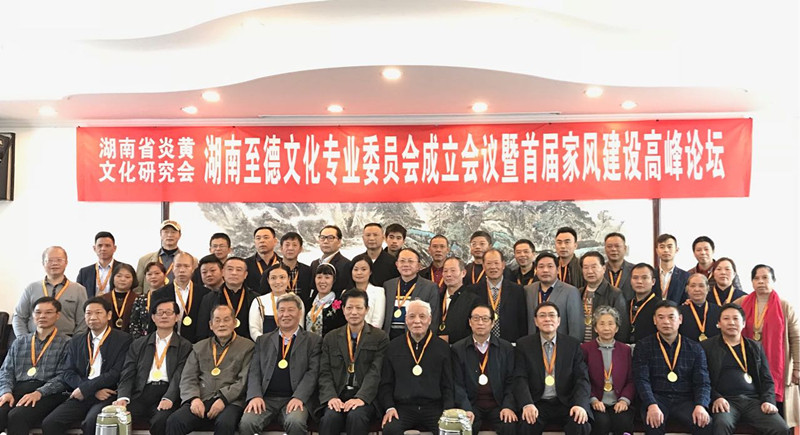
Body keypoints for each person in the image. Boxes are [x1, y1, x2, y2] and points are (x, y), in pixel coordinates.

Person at [41, 297, 133, 435]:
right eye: (88, 313)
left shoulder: (123, 339)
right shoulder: (76, 340)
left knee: (92, 422)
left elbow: (116, 372)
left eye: (98, 313)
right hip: (82, 393)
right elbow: (68, 372)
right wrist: (88, 389)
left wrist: (86, 388)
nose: (93, 317)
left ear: (109, 315)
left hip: (107, 394)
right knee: (51, 423)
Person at [701, 303, 790, 435]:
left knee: (781, 428)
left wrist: (768, 400)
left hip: (753, 401)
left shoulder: (755, 347)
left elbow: (767, 379)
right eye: (726, 318)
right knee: (721, 425)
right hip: (725, 401)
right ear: (719, 323)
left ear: (743, 323)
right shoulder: (706, 347)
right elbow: (702, 379)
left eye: (736, 318)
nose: (731, 322)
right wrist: (716, 397)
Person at [166, 304, 254, 435]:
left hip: (231, 401)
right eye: (217, 320)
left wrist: (223, 399)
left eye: (226, 320)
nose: (221, 324)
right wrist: (194, 399)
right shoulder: (199, 347)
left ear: (235, 323)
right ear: (211, 325)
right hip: (202, 398)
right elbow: (188, 378)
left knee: (225, 423)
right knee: (175, 421)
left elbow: (243, 381)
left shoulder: (248, 347)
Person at [240, 293, 321, 435]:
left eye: (291, 310)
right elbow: (254, 371)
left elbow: (312, 373)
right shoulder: (263, 340)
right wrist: (255, 396)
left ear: (299, 313)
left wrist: (299, 397)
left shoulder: (313, 341)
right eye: (281, 310)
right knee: (247, 422)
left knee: (295, 422)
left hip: (294, 398)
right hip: (266, 398)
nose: (285, 314)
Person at [113, 299, 193, 435]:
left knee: (161, 421)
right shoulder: (139, 344)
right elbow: (128, 373)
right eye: (160, 313)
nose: (164, 316)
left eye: (169, 312)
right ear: (153, 317)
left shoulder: (185, 346)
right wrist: (123, 397)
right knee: (117, 417)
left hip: (166, 392)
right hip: (141, 392)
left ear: (177, 317)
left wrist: (169, 397)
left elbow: (180, 375)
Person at [632, 300, 712, 435]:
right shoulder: (643, 346)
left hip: (685, 399)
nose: (666, 322)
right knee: (653, 424)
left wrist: (701, 405)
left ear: (680, 319)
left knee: (705, 423)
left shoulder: (695, 348)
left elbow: (703, 382)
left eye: (671, 317)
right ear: (654, 320)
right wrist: (651, 404)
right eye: (661, 317)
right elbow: (641, 379)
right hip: (657, 397)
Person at [735, 264, 800, 427]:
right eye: (756, 278)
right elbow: (725, 319)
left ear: (773, 280)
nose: (761, 281)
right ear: (752, 282)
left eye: (765, 278)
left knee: (778, 413)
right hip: (748, 363)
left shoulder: (784, 306)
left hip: (778, 365)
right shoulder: (741, 303)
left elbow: (796, 338)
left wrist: (797, 367)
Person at [514, 302, 591, 435]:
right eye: (542, 316)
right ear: (536, 321)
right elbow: (520, 378)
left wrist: (579, 404)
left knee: (580, 424)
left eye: (551, 315)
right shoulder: (524, 345)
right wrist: (527, 404)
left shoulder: (572, 345)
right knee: (527, 425)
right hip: (537, 402)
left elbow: (582, 379)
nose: (547, 319)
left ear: (558, 320)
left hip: (566, 402)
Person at [318, 290, 389, 435]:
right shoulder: (330, 338)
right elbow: (324, 372)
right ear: (343, 309)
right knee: (330, 418)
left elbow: (375, 372)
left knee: (356, 416)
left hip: (365, 397)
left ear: (367, 309)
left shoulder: (379, 337)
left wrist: (361, 397)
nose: (354, 312)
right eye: (349, 308)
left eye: (359, 308)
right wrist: (331, 396)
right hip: (338, 393)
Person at [379, 300, 454, 435]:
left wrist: (447, 410)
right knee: (390, 429)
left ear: (430, 319)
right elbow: (386, 383)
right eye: (412, 316)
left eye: (422, 316)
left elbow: (448, 384)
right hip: (403, 407)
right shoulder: (393, 346)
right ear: (406, 319)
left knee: (448, 431)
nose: (417, 321)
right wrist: (389, 407)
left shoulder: (442, 348)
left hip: (434, 407)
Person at [0, 297, 69, 435]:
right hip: (18, 389)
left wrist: (39, 393)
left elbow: (64, 376)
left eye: (48, 312)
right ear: (32, 315)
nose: (42, 316)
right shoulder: (20, 342)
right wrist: (6, 391)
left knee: (17, 416)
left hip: (48, 393)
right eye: (38, 312)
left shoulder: (67, 343)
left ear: (57, 315)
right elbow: (6, 371)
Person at [452, 304, 518, 435]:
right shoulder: (458, 349)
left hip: (498, 404)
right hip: (472, 404)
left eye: (485, 319)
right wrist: (466, 408)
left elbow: (511, 381)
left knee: (509, 425)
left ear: (492, 323)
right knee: (464, 427)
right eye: (476, 318)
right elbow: (457, 384)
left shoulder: (506, 348)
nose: (480, 323)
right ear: (470, 322)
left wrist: (508, 406)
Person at [580, 306, 635, 435]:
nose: (606, 328)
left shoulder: (626, 350)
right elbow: (582, 379)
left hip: (619, 401)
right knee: (601, 423)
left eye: (611, 324)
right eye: (602, 324)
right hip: (596, 401)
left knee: (623, 422)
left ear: (616, 328)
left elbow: (631, 380)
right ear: (595, 328)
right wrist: (593, 399)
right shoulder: (585, 349)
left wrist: (624, 400)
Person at [14, 246, 88, 338]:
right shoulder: (31, 288)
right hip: (34, 340)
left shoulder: (78, 289)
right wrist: (23, 340)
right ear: (43, 263)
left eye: (59, 260)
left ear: (66, 263)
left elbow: (83, 321)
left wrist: (75, 342)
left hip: (67, 341)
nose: (54, 263)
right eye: (50, 260)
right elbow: (19, 317)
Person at [470, 250, 527, 344]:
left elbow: (522, 321)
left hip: (510, 344)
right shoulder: (472, 291)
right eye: (489, 263)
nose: (493, 267)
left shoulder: (517, 290)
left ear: (503, 265)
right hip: (481, 344)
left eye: (496, 263)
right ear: (483, 266)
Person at [382, 248, 440, 340]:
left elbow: (434, 319)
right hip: (389, 339)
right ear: (397, 264)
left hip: (416, 338)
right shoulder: (388, 285)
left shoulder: (430, 287)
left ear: (418, 266)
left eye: (410, 261)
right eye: (402, 261)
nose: (406, 265)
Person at [151, 252, 209, 343]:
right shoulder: (159, 294)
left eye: (186, 266)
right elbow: (152, 324)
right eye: (178, 266)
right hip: (167, 342)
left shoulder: (204, 293)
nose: (182, 270)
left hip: (196, 343)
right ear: (172, 268)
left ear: (193, 268)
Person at [524, 252, 583, 341]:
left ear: (558, 269)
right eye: (541, 267)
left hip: (561, 344)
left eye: (550, 266)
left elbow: (576, 327)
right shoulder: (528, 290)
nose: (545, 270)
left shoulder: (571, 291)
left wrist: (572, 346)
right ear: (536, 270)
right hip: (533, 343)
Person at [196, 257, 258, 339]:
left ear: (245, 274)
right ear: (222, 272)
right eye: (230, 269)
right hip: (217, 344)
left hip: (248, 344)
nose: (234, 273)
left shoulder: (255, 298)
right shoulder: (209, 298)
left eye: (239, 270)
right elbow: (202, 329)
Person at [580, 251, 629, 342]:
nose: (590, 271)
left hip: (603, 346)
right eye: (586, 267)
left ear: (603, 268)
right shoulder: (578, 293)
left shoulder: (615, 294)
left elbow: (622, 328)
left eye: (594, 267)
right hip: (581, 346)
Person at [135, 220, 195, 294]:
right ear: (160, 234)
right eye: (166, 232)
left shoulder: (192, 260)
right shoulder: (144, 260)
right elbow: (137, 288)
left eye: (173, 232)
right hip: (152, 299)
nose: (169, 235)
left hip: (180, 298)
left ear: (180, 235)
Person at [249, 264, 305, 341]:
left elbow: (300, 327)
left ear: (288, 279)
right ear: (268, 280)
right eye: (273, 278)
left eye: (282, 277)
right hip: (265, 345)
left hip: (292, 344)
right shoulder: (259, 301)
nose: (278, 282)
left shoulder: (296, 301)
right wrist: (266, 344)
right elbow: (254, 330)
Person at [436, 257, 479, 344]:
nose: (448, 274)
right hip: (437, 347)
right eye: (445, 271)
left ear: (463, 273)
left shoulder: (473, 300)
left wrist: (451, 338)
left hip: (461, 348)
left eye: (453, 270)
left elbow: (475, 329)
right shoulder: (437, 297)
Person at [128, 262, 166, 339]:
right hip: (144, 341)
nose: (153, 277)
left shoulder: (171, 297)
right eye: (149, 274)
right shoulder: (140, 299)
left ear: (165, 275)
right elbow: (134, 324)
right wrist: (140, 341)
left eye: (157, 273)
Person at [310, 225, 351, 295]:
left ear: (339, 241)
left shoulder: (346, 265)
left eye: (330, 238)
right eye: (322, 237)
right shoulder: (315, 264)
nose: (325, 241)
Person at [307, 264, 346, 337]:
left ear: (334, 280)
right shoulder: (309, 302)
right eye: (319, 277)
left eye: (327, 277)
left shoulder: (339, 304)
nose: (322, 281)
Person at [679, 274, 721, 342]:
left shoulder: (719, 311)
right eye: (693, 286)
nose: (697, 289)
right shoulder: (679, 312)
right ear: (687, 289)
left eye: (701, 286)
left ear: (707, 288)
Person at [276, 232, 313, 309]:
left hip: (301, 312)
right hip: (277, 311)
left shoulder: (308, 271)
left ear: (300, 249)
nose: (290, 248)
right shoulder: (272, 272)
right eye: (287, 245)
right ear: (281, 248)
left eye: (294, 245)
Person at [348, 253, 386, 329]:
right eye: (355, 269)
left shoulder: (378, 292)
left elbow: (378, 321)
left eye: (363, 269)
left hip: (371, 334)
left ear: (370, 271)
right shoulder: (346, 293)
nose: (359, 273)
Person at [76, 231, 118, 297]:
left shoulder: (123, 269)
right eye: (100, 245)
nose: (103, 249)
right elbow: (78, 295)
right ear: (94, 248)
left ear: (114, 248)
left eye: (107, 246)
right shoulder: (84, 272)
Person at [627, 263, 661, 344]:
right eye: (635, 278)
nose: (639, 281)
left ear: (653, 281)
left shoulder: (660, 306)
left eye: (644, 278)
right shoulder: (626, 304)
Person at [101, 262, 138, 332]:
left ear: (133, 279)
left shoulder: (138, 299)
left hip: (131, 337)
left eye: (127, 277)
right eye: (119, 276)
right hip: (107, 336)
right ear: (113, 278)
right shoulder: (103, 299)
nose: (122, 279)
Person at [360, 223, 399, 287]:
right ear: (363, 238)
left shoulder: (394, 263)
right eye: (368, 235)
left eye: (375, 235)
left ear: (383, 238)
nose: (371, 238)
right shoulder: (358, 261)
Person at [653, 234, 688, 304]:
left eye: (669, 247)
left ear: (676, 250)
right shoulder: (651, 275)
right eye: (662, 247)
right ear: (657, 251)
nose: (666, 250)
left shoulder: (685, 276)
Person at [245, 226, 281, 293]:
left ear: (275, 241)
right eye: (258, 238)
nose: (262, 241)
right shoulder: (245, 264)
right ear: (254, 242)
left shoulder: (283, 263)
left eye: (266, 237)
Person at [603, 232, 635, 301]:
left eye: (617, 246)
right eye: (609, 246)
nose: (613, 249)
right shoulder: (599, 271)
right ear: (605, 249)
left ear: (625, 248)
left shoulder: (634, 270)